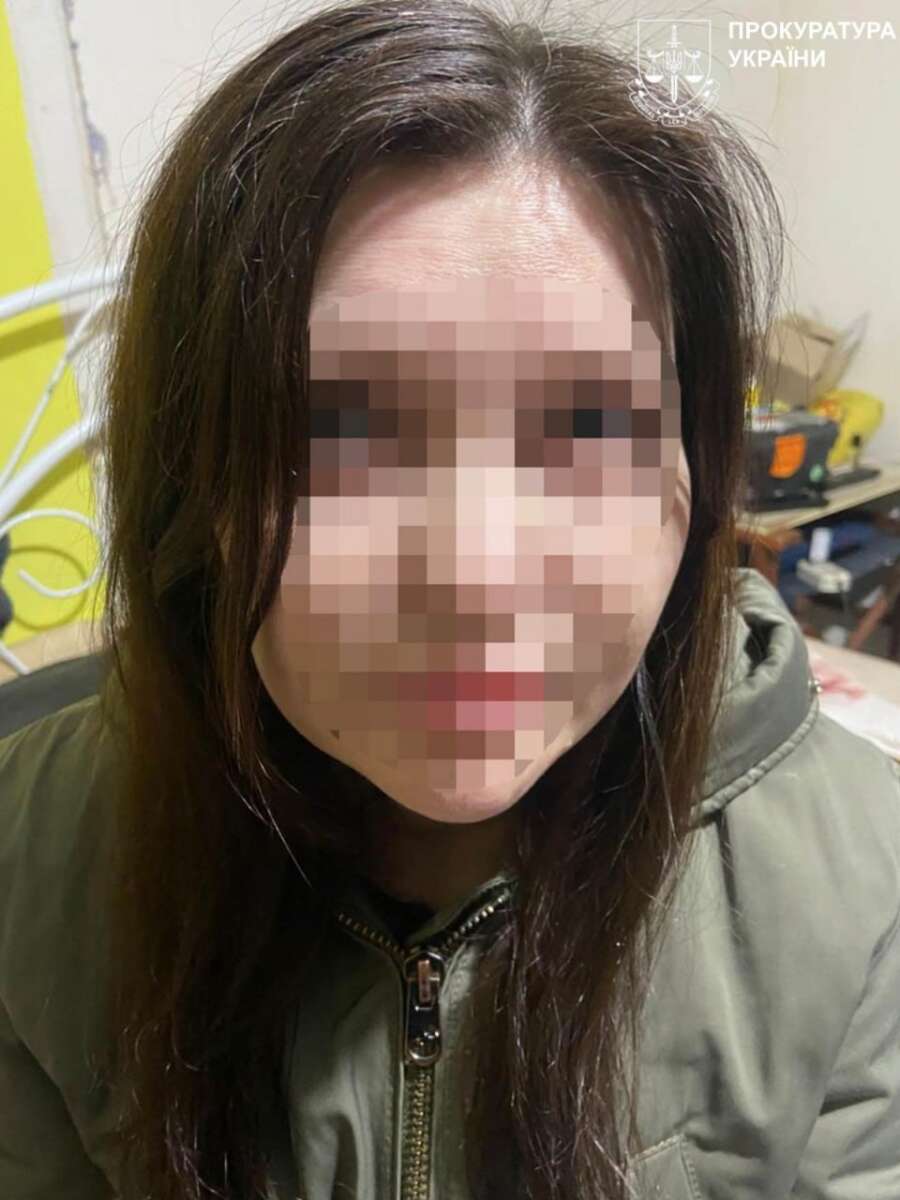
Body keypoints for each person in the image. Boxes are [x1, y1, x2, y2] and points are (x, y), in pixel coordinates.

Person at [1, 2, 898, 1198]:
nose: (477, 575)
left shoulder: (867, 879)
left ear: (693, 478)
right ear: (197, 487)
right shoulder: (31, 862)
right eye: (339, 429)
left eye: (588, 425)